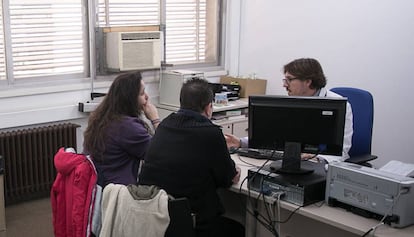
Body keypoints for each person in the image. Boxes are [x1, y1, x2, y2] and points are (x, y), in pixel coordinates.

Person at [138, 78, 244, 237]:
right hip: (194, 223)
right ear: (209, 107)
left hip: (158, 219)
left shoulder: (164, 126)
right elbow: (228, 178)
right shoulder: (211, 133)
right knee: (239, 229)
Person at [225, 58, 353, 163]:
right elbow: (271, 134)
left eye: (289, 80)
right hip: (292, 163)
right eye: (285, 79)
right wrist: (241, 142)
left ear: (308, 81)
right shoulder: (291, 103)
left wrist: (317, 158)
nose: (284, 84)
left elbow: (342, 150)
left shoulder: (339, 105)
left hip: (321, 169)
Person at [83, 71, 160, 187]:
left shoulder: (100, 118)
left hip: (98, 186)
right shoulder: (127, 127)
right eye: (142, 93)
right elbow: (160, 153)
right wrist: (155, 119)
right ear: (130, 99)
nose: (147, 97)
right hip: (119, 193)